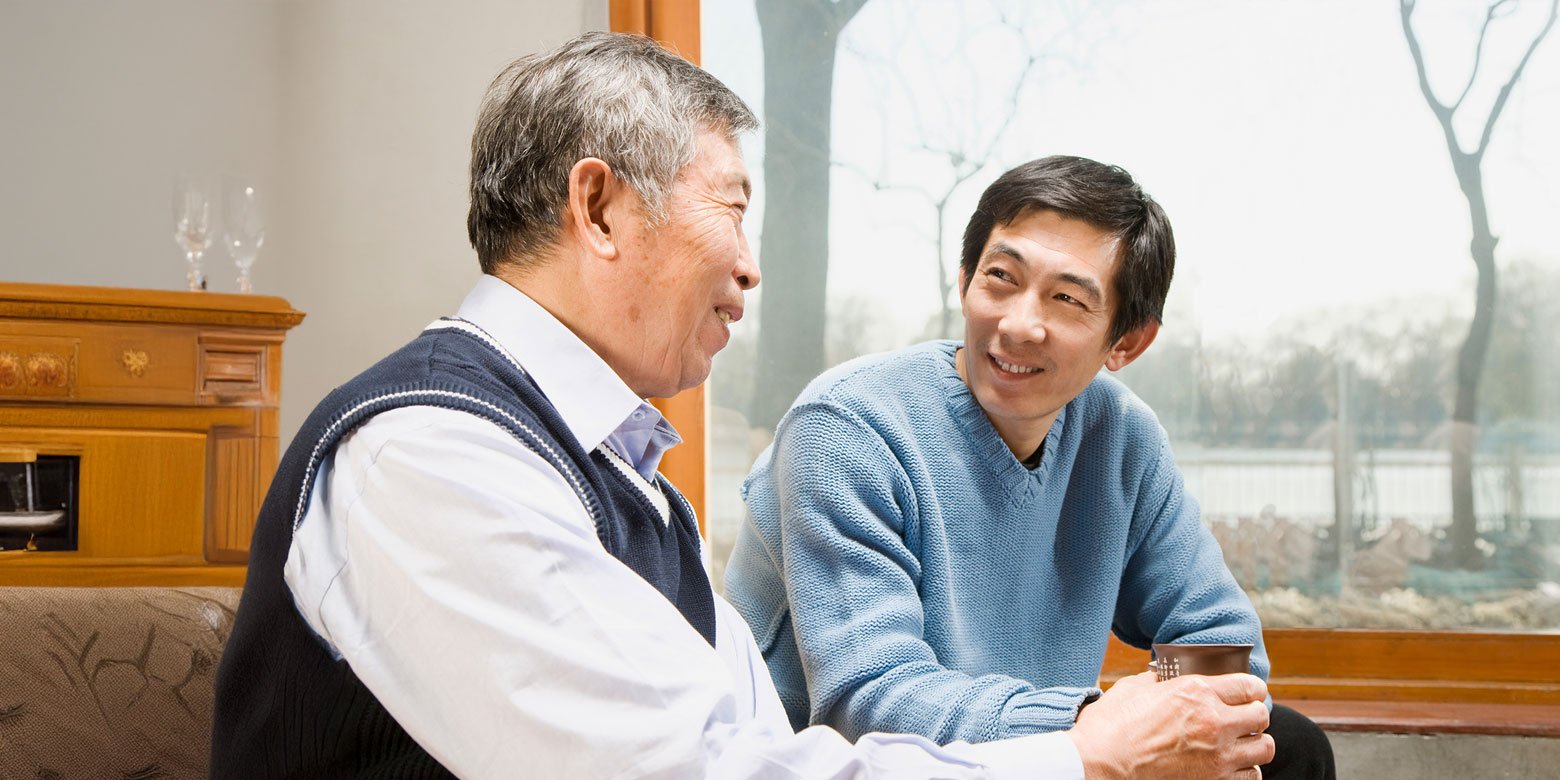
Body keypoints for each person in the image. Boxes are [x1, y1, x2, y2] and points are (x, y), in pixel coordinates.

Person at [210, 33, 1275, 778]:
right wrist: (1083, 750)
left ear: (1126, 344)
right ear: (600, 208)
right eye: (731, 207)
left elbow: (748, 743)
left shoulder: (618, 476)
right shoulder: (431, 458)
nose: (754, 269)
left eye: (1070, 300)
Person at [725, 155, 1335, 778]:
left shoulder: (1121, 439)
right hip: (869, 767)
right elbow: (873, 701)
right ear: (965, 281)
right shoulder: (846, 428)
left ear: (1127, 341)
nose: (1018, 325)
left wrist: (1166, 709)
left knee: (1287, 746)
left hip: (1051, 759)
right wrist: (1098, 725)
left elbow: (1224, 642)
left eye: (1067, 298)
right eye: (1000, 278)